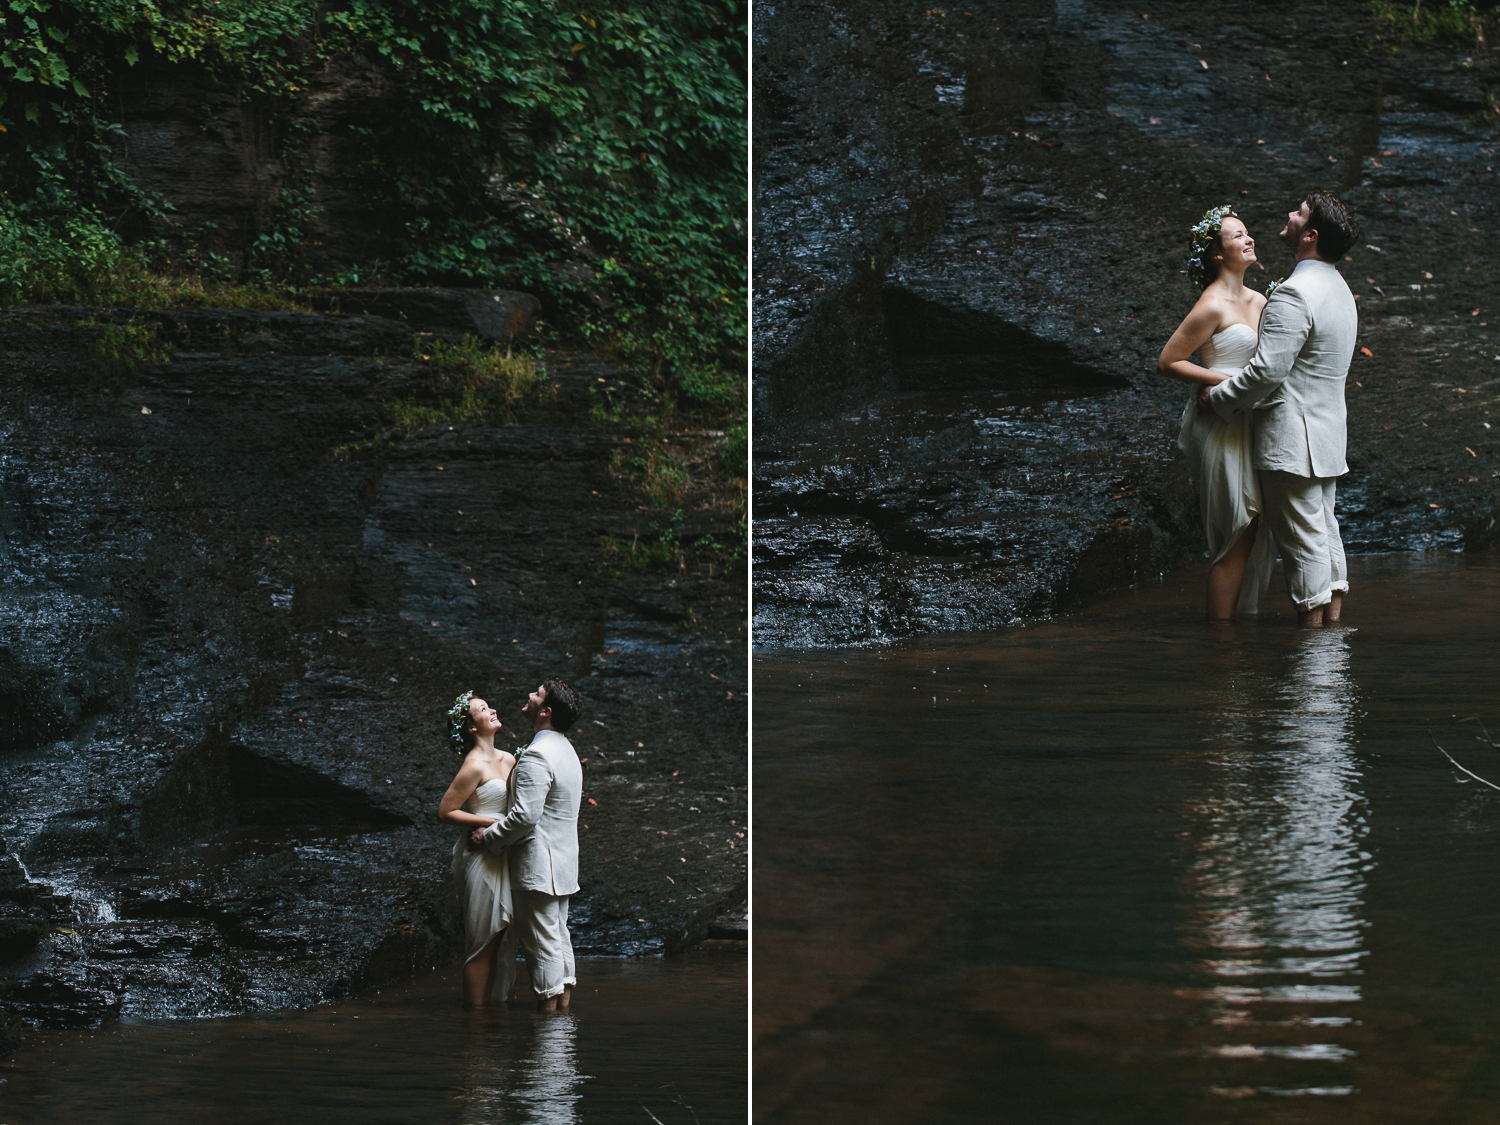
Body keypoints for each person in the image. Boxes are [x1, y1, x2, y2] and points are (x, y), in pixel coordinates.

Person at [1199, 192, 1361, 628]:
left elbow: (1267, 372)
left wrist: (1218, 398)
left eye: (1299, 213)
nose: (1289, 214)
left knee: (1304, 543)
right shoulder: (1340, 288)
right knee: (1326, 537)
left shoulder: (1294, 292)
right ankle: (1332, 643)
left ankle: (1314, 662)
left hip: (1293, 439)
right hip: (1327, 436)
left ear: (1308, 235)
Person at [1158, 206, 1276, 619]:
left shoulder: (1261, 300)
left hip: (1254, 421)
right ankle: (1222, 647)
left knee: (1256, 525)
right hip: (1221, 424)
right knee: (1238, 530)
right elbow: (1169, 360)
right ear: (1217, 254)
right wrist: (1220, 382)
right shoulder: (1211, 304)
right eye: (1238, 236)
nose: (1249, 239)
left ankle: (1237, 631)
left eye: (1248, 233)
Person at [473, 679, 584, 1012]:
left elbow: (524, 817)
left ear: (545, 711)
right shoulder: (566, 749)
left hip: (539, 867)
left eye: (536, 694)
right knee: (558, 939)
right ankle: (562, 1017)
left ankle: (549, 1031)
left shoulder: (538, 754)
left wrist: (488, 837)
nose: (529, 696)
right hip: (562, 865)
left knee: (542, 944)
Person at [438, 690, 517, 1008]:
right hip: (483, 858)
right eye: (483, 709)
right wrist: (487, 822)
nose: (492, 710)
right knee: (482, 943)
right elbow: (446, 811)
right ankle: (476, 1022)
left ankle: (490, 1015)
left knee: (497, 940)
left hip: (506, 853)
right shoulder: (473, 765)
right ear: (471, 727)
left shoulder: (509, 758)